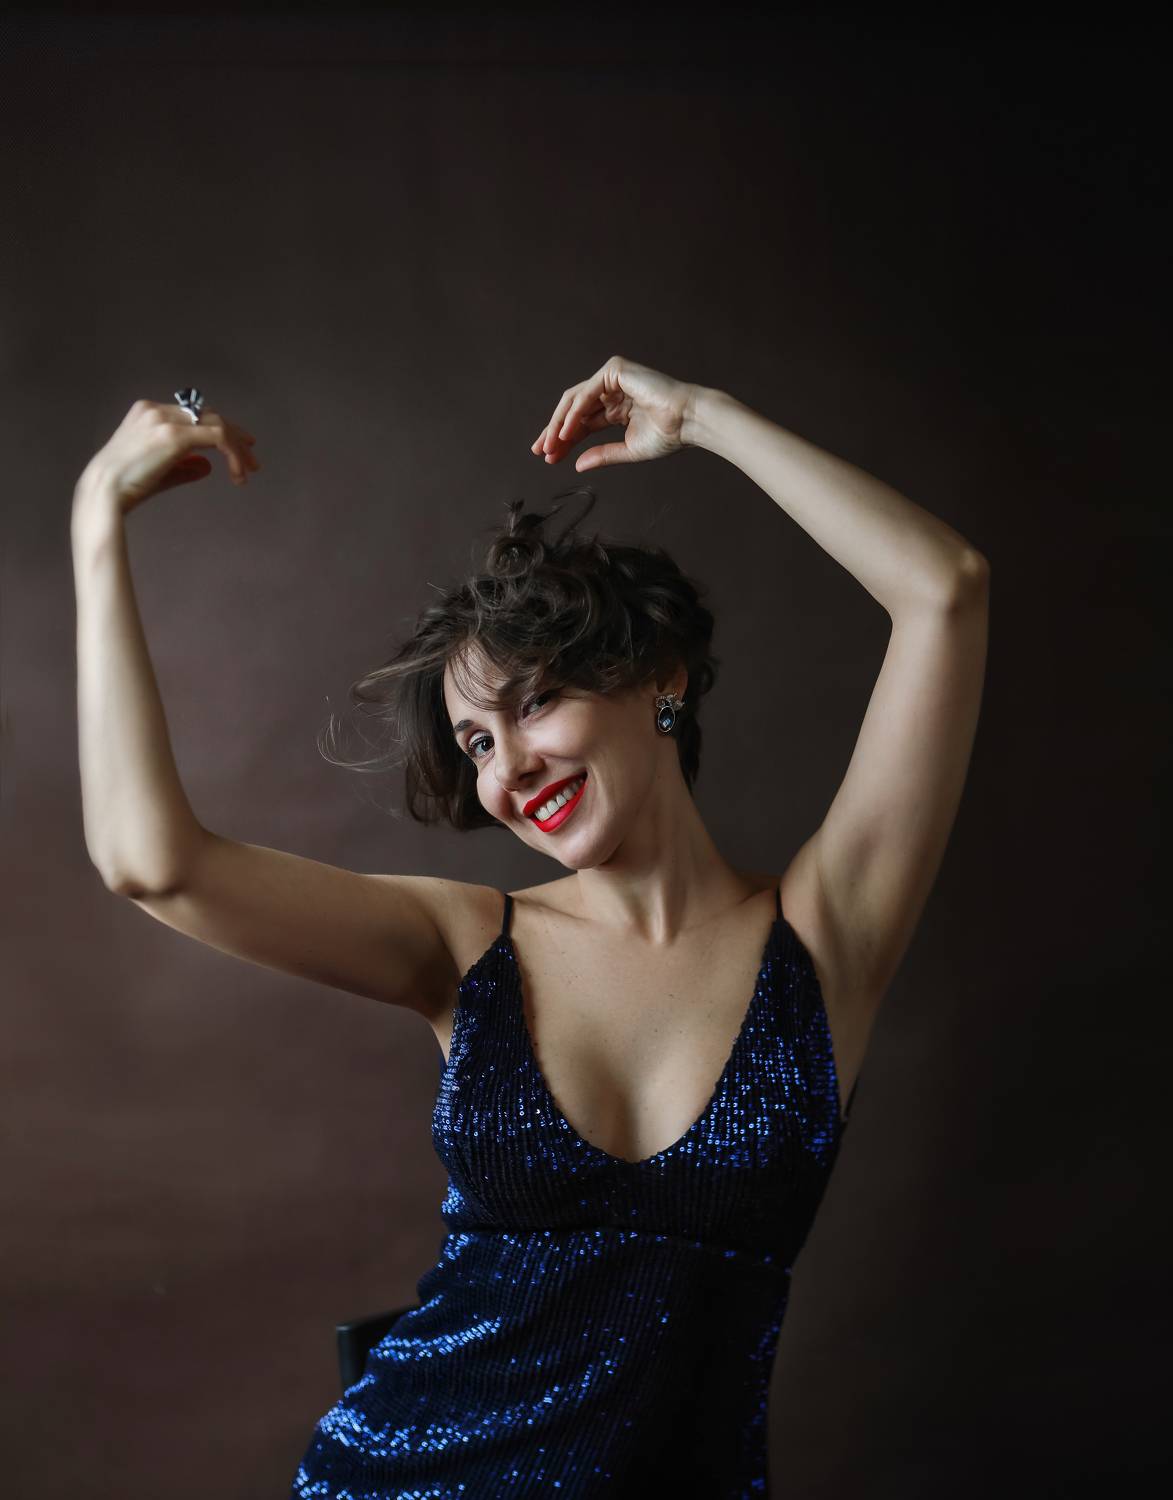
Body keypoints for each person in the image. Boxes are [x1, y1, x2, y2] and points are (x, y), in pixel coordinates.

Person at [71, 356, 989, 1496]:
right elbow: (150, 863)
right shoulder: (465, 945)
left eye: (535, 702)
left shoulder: (823, 941)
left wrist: (705, 418)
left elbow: (944, 590)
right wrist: (96, 521)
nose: (507, 769)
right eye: (476, 743)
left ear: (658, 678)